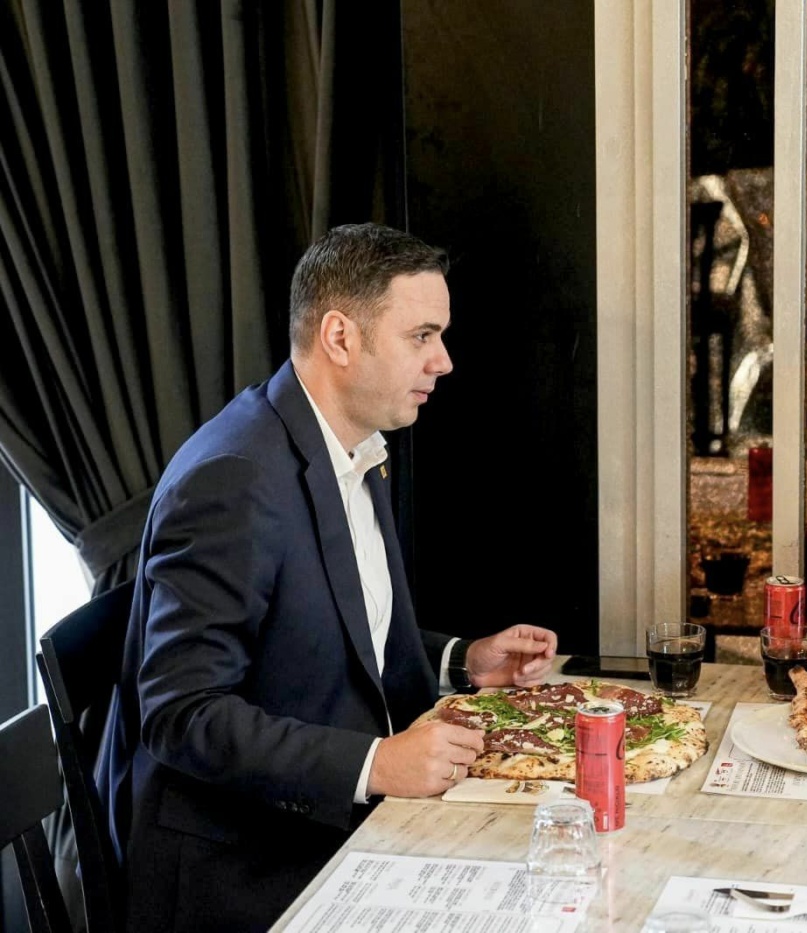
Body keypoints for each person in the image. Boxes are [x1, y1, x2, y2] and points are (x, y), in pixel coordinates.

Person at [98, 223, 559, 932]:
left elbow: (322, 626)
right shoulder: (234, 479)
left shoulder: (349, 445)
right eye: (422, 335)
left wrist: (461, 660)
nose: (443, 361)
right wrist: (376, 762)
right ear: (340, 337)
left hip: (327, 824)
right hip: (244, 863)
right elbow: (181, 713)